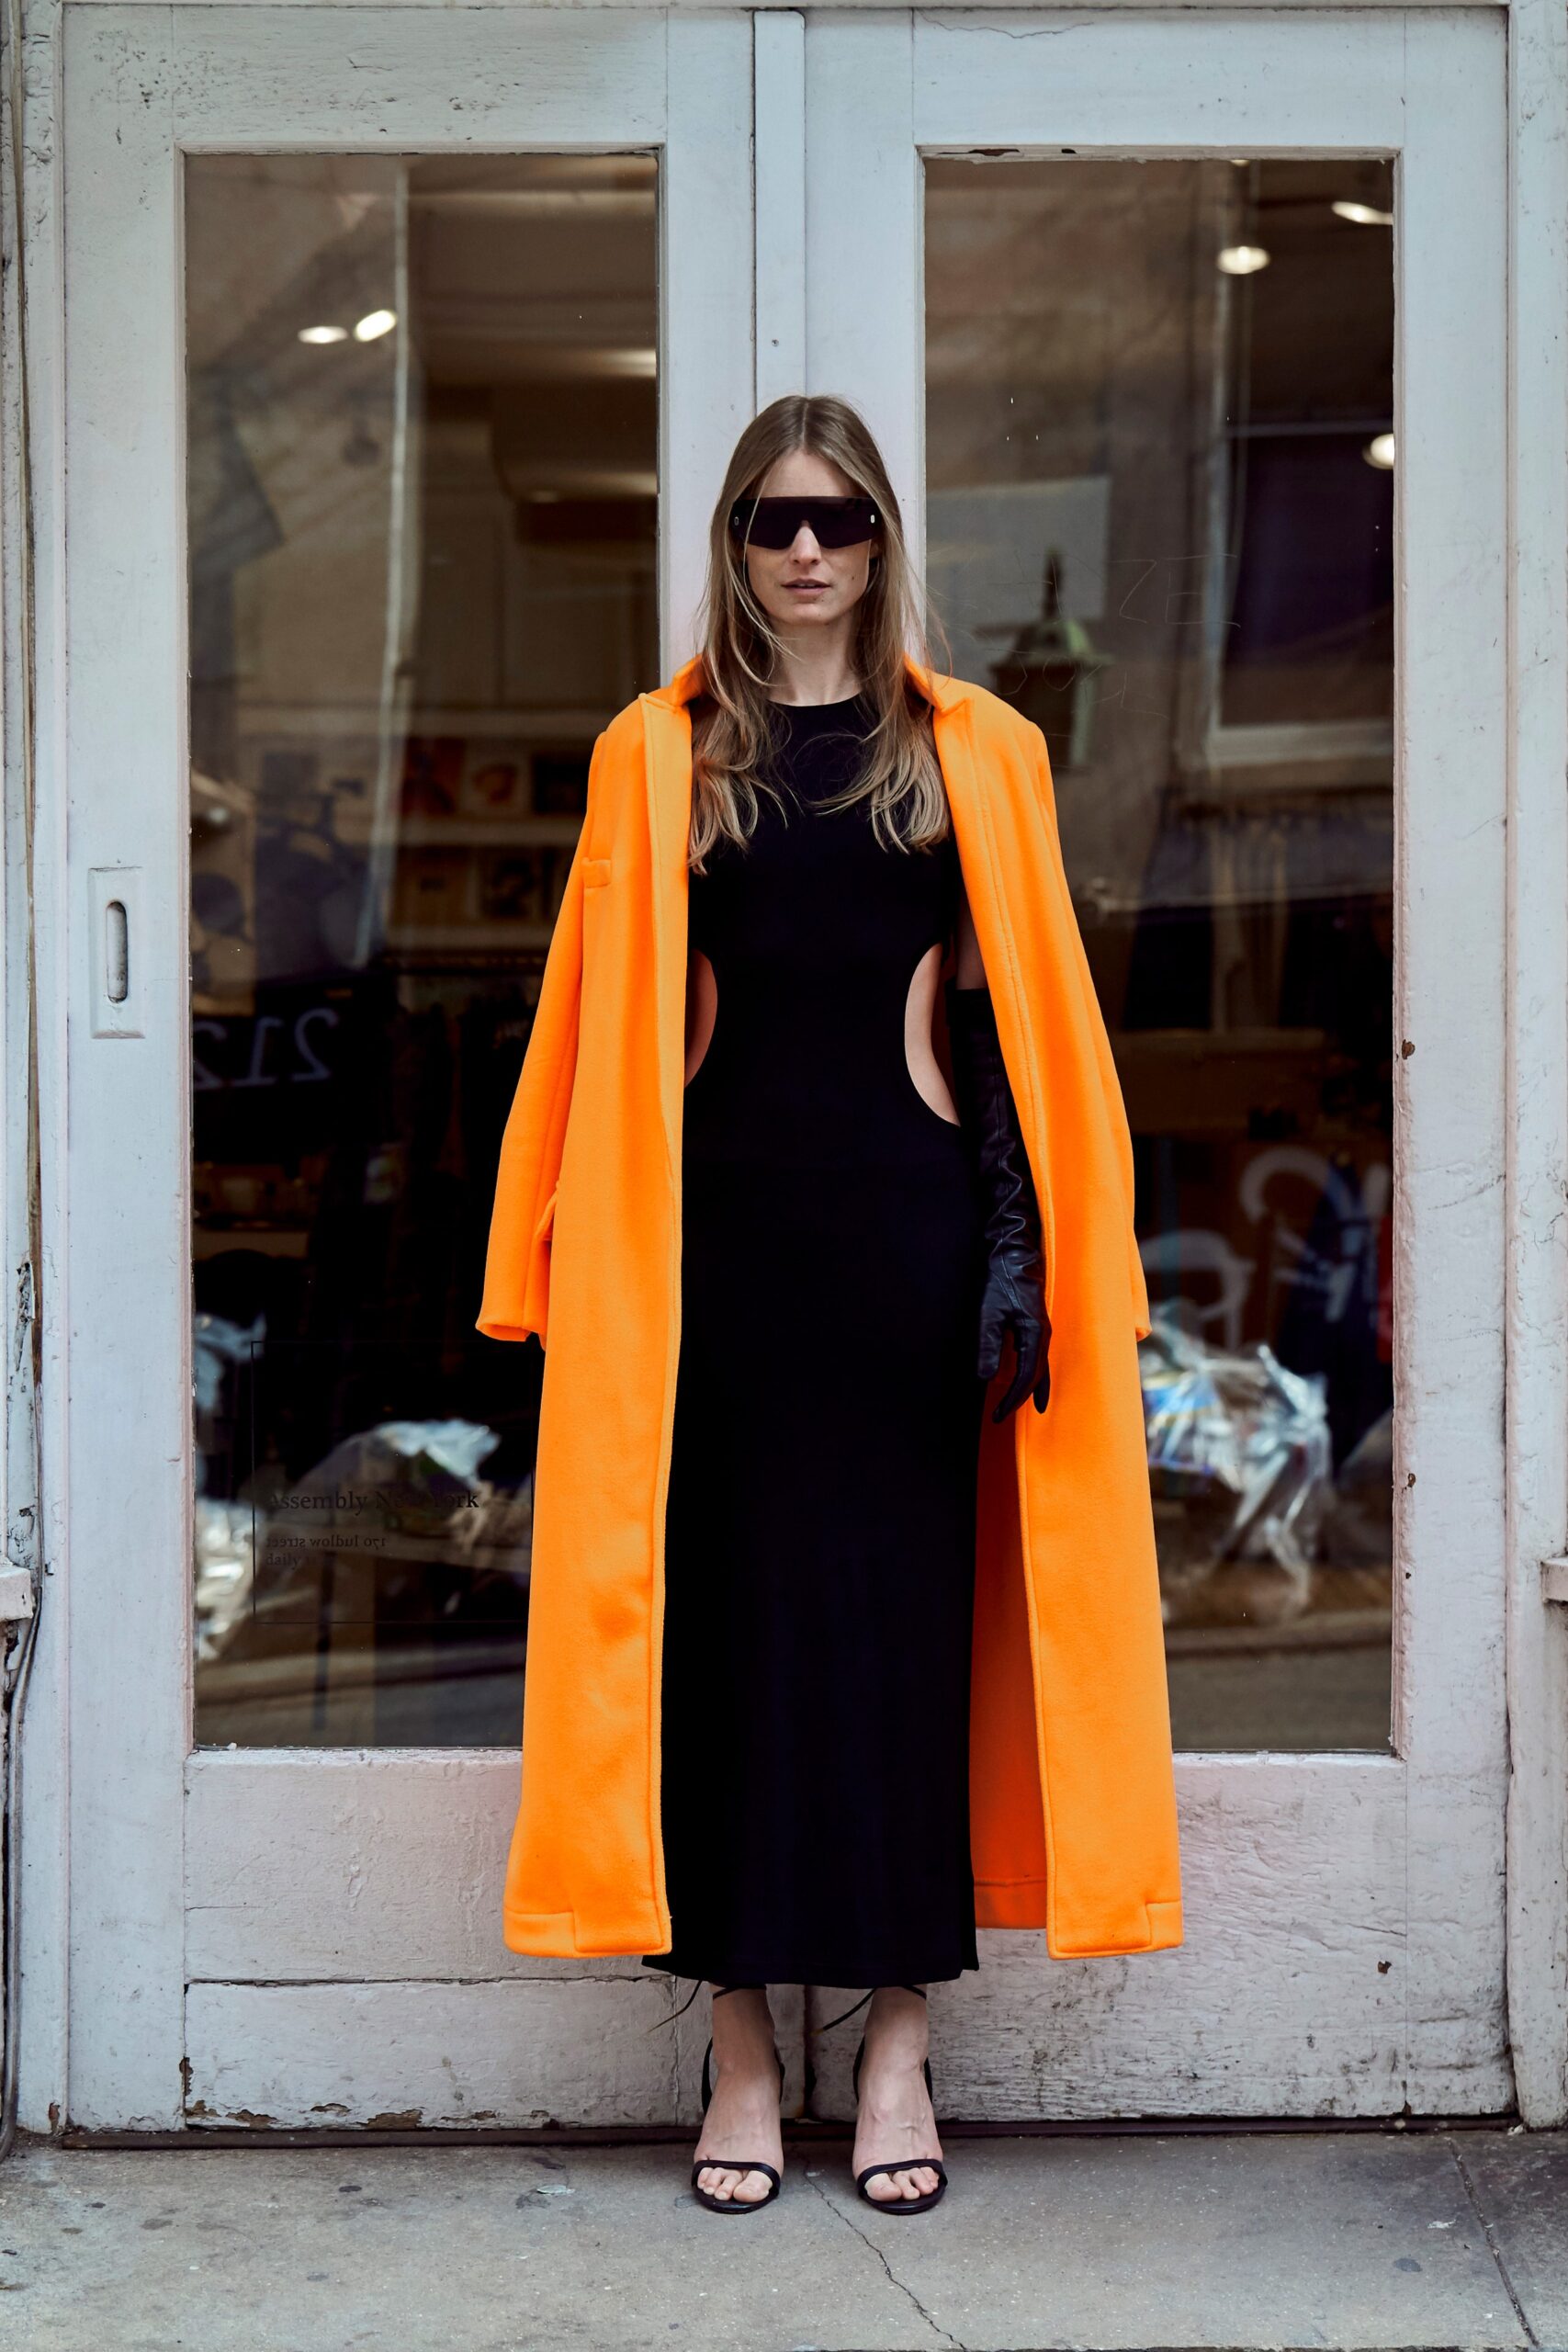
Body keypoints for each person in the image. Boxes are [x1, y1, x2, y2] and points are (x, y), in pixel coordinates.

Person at [477, 394, 1182, 2222]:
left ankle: (888, 2040)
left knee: (893, 1646)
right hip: (702, 1258)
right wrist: (539, 1251)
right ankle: (734, 2045)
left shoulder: (975, 755)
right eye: (774, 521)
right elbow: (578, 1031)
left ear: (882, 542)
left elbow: (1032, 1034)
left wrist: (1031, 1260)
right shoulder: (656, 754)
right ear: (730, 540)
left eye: (839, 522)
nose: (805, 552)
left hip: (900, 1244)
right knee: (714, 1641)